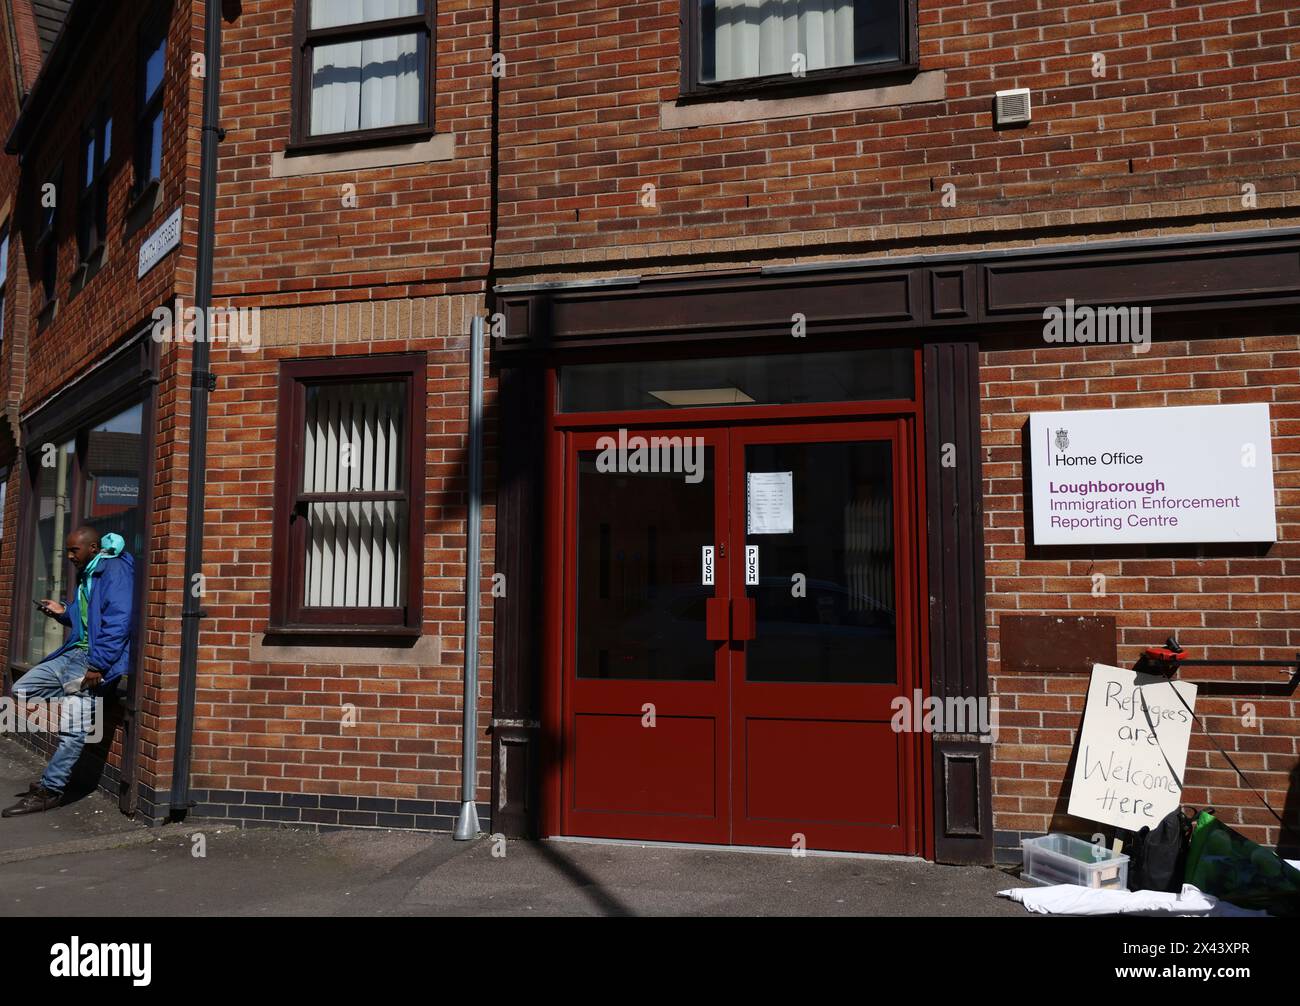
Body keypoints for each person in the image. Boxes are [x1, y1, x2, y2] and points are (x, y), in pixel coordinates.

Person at [3, 527, 135, 817]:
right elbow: (87, 615)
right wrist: (63, 611)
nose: (70, 556)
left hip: (92, 662)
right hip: (74, 655)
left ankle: (50, 790)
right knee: (23, 688)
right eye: (68, 550)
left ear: (93, 547)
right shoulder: (89, 573)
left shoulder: (113, 571)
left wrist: (98, 666)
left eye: (75, 550)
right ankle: (83, 701)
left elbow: (119, 620)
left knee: (72, 732)